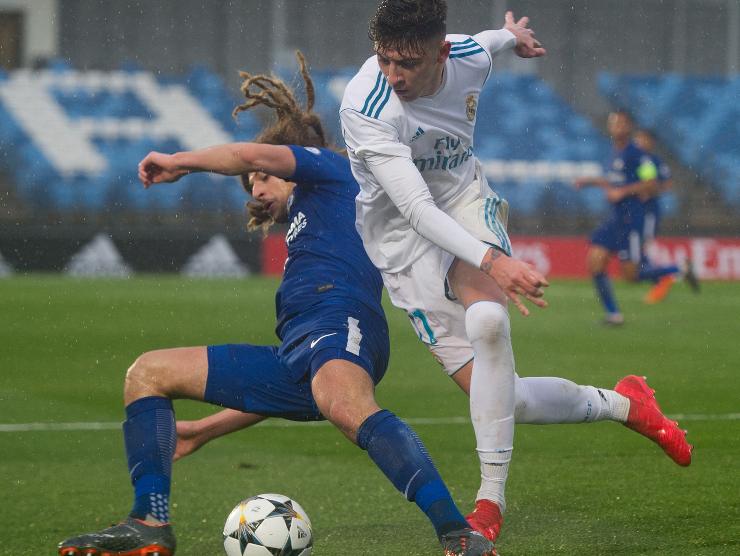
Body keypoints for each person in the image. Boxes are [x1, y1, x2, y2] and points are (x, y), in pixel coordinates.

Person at [58, 53, 494, 556]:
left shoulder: (335, 172)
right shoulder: (304, 226)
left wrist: (179, 163)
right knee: (148, 373)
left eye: (263, 177)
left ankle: (458, 534)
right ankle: (149, 523)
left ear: (288, 165)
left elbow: (248, 156)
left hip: (343, 320)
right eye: (252, 185)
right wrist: (206, 429)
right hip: (306, 347)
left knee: (348, 404)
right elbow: (296, 382)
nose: (257, 187)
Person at [336, 1, 548, 549]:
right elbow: (415, 211)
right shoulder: (366, 104)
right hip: (403, 244)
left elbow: (488, 41)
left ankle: (489, 499)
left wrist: (512, 36)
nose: (394, 75)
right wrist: (498, 261)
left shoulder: (470, 56)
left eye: (407, 63)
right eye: (385, 60)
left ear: (441, 52)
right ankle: (623, 403)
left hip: (464, 203)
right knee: (506, 399)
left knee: (487, 320)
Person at [575, 111, 695, 324]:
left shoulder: (640, 155)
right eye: (613, 123)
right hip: (615, 218)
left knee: (630, 275)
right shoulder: (614, 154)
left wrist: (623, 192)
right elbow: (613, 182)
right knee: (595, 261)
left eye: (621, 123)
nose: (617, 126)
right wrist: (591, 182)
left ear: (629, 127)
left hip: (631, 220)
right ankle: (614, 315)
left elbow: (652, 183)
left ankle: (677, 269)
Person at [633, 128, 699, 303]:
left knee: (639, 253)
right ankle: (662, 283)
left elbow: (667, 183)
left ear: (650, 142)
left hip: (647, 211)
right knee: (638, 256)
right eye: (638, 139)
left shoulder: (653, 161)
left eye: (643, 139)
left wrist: (650, 191)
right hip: (634, 211)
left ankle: (676, 269)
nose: (639, 142)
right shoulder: (634, 159)